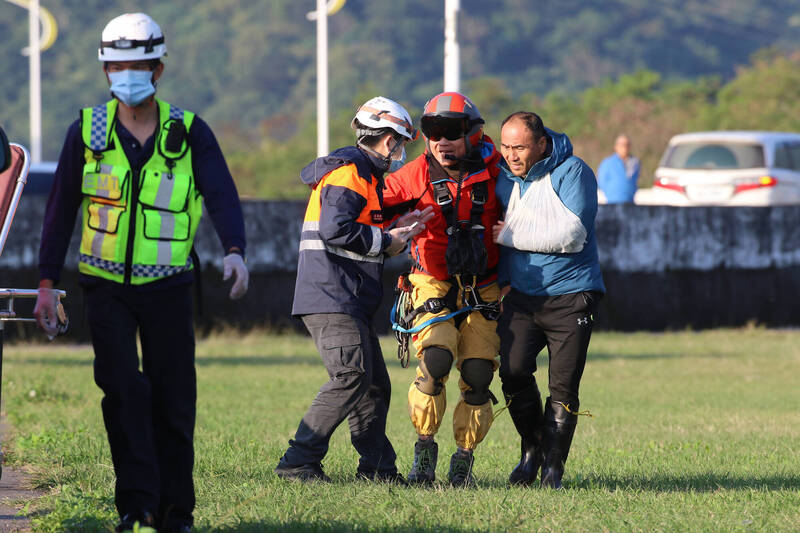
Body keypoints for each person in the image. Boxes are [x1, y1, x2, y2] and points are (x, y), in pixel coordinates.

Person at [33, 13, 249, 533]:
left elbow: (220, 192)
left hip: (170, 286)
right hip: (103, 286)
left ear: (159, 69)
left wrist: (235, 249)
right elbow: (60, 208)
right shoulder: (86, 131)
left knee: (174, 399)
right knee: (123, 392)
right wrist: (44, 283)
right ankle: (136, 506)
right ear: (106, 71)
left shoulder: (188, 131)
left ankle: (176, 514)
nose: (127, 74)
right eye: (118, 65)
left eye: (138, 65)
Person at [275, 96, 433, 483]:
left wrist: (400, 222)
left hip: (344, 296)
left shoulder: (362, 175)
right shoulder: (350, 173)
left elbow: (361, 222)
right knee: (351, 376)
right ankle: (298, 462)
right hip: (332, 295)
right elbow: (336, 229)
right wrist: (388, 242)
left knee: (372, 384)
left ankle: (377, 469)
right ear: (386, 140)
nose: (400, 152)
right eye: (400, 142)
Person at [383, 91, 503, 487]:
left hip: (484, 286)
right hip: (431, 279)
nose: (441, 140)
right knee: (435, 362)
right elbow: (365, 206)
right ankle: (423, 453)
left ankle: (463, 460)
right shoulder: (410, 176)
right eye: (433, 131)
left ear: (475, 132)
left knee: (478, 373)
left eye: (452, 131)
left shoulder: (501, 169)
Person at [493, 111, 605, 489]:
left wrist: (509, 235)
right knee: (511, 373)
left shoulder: (573, 172)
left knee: (563, 386)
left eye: (519, 147)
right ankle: (532, 450)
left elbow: (572, 236)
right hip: (522, 299)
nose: (511, 155)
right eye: (505, 147)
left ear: (541, 144)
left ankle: (552, 469)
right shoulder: (503, 179)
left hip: (572, 296)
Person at [597, 134, 640, 203]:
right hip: (612, 203)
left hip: (630, 203)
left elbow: (636, 180)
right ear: (616, 147)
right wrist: (611, 193)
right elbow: (601, 181)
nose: (625, 147)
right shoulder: (607, 163)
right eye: (622, 145)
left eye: (627, 145)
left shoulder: (635, 162)